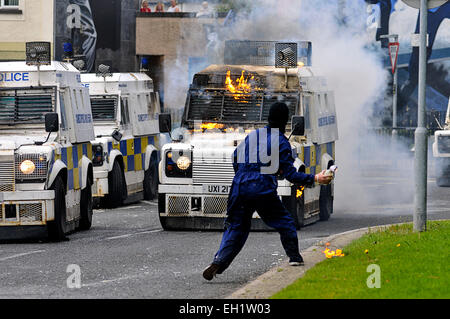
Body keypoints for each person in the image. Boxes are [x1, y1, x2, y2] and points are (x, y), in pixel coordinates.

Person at [203, 102, 333, 281]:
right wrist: (315, 179)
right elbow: (291, 175)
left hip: (239, 186)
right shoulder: (281, 142)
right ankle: (295, 258)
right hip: (262, 187)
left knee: (236, 227)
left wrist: (243, 177)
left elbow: (235, 158)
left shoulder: (253, 135)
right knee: (284, 221)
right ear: (285, 121)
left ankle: (219, 261)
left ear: (268, 118)